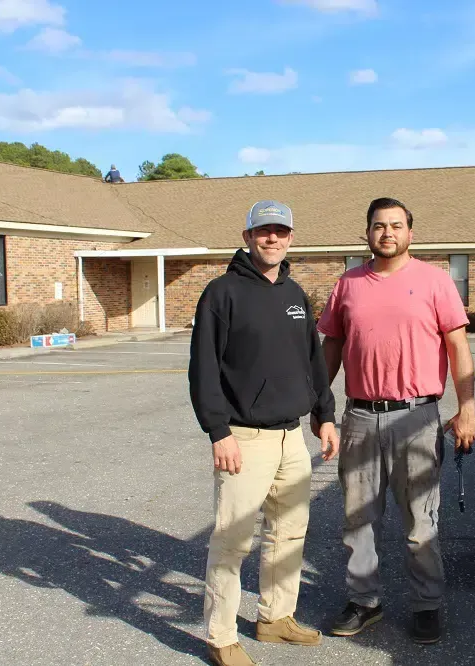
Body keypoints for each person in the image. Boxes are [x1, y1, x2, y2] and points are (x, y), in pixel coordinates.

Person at [315, 196, 475, 645]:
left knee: (420, 521)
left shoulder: (435, 281)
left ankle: (427, 606)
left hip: (418, 417)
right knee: (358, 519)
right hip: (361, 417)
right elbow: (330, 347)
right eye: (378, 226)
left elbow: (458, 348)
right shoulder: (347, 284)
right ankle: (363, 601)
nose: (387, 233)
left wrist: (467, 408)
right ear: (366, 233)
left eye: (396, 225)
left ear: (410, 232)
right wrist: (318, 404)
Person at [188, 199, 340, 666]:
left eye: (280, 231)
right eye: (262, 231)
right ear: (247, 236)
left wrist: (325, 414)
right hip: (243, 437)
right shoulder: (222, 293)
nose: (271, 238)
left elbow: (311, 363)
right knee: (233, 540)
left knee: (289, 532)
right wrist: (218, 432)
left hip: (290, 437)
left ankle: (275, 618)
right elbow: (203, 369)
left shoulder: (295, 294)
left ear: (291, 237)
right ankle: (220, 636)